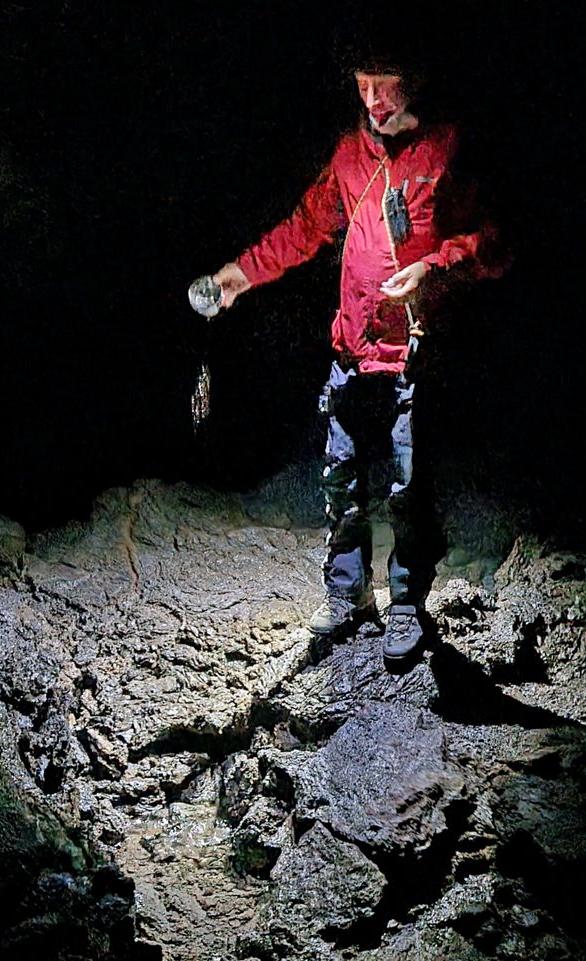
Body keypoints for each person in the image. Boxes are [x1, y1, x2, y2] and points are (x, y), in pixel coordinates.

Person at [210, 53, 501, 668]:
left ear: (412, 80)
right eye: (363, 85)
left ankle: (405, 603)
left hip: (411, 357)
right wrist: (241, 274)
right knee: (341, 479)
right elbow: (306, 227)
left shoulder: (445, 151)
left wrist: (432, 266)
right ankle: (348, 595)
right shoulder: (351, 156)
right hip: (352, 347)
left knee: (405, 485)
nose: (373, 98)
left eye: (385, 84)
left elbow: (490, 242)